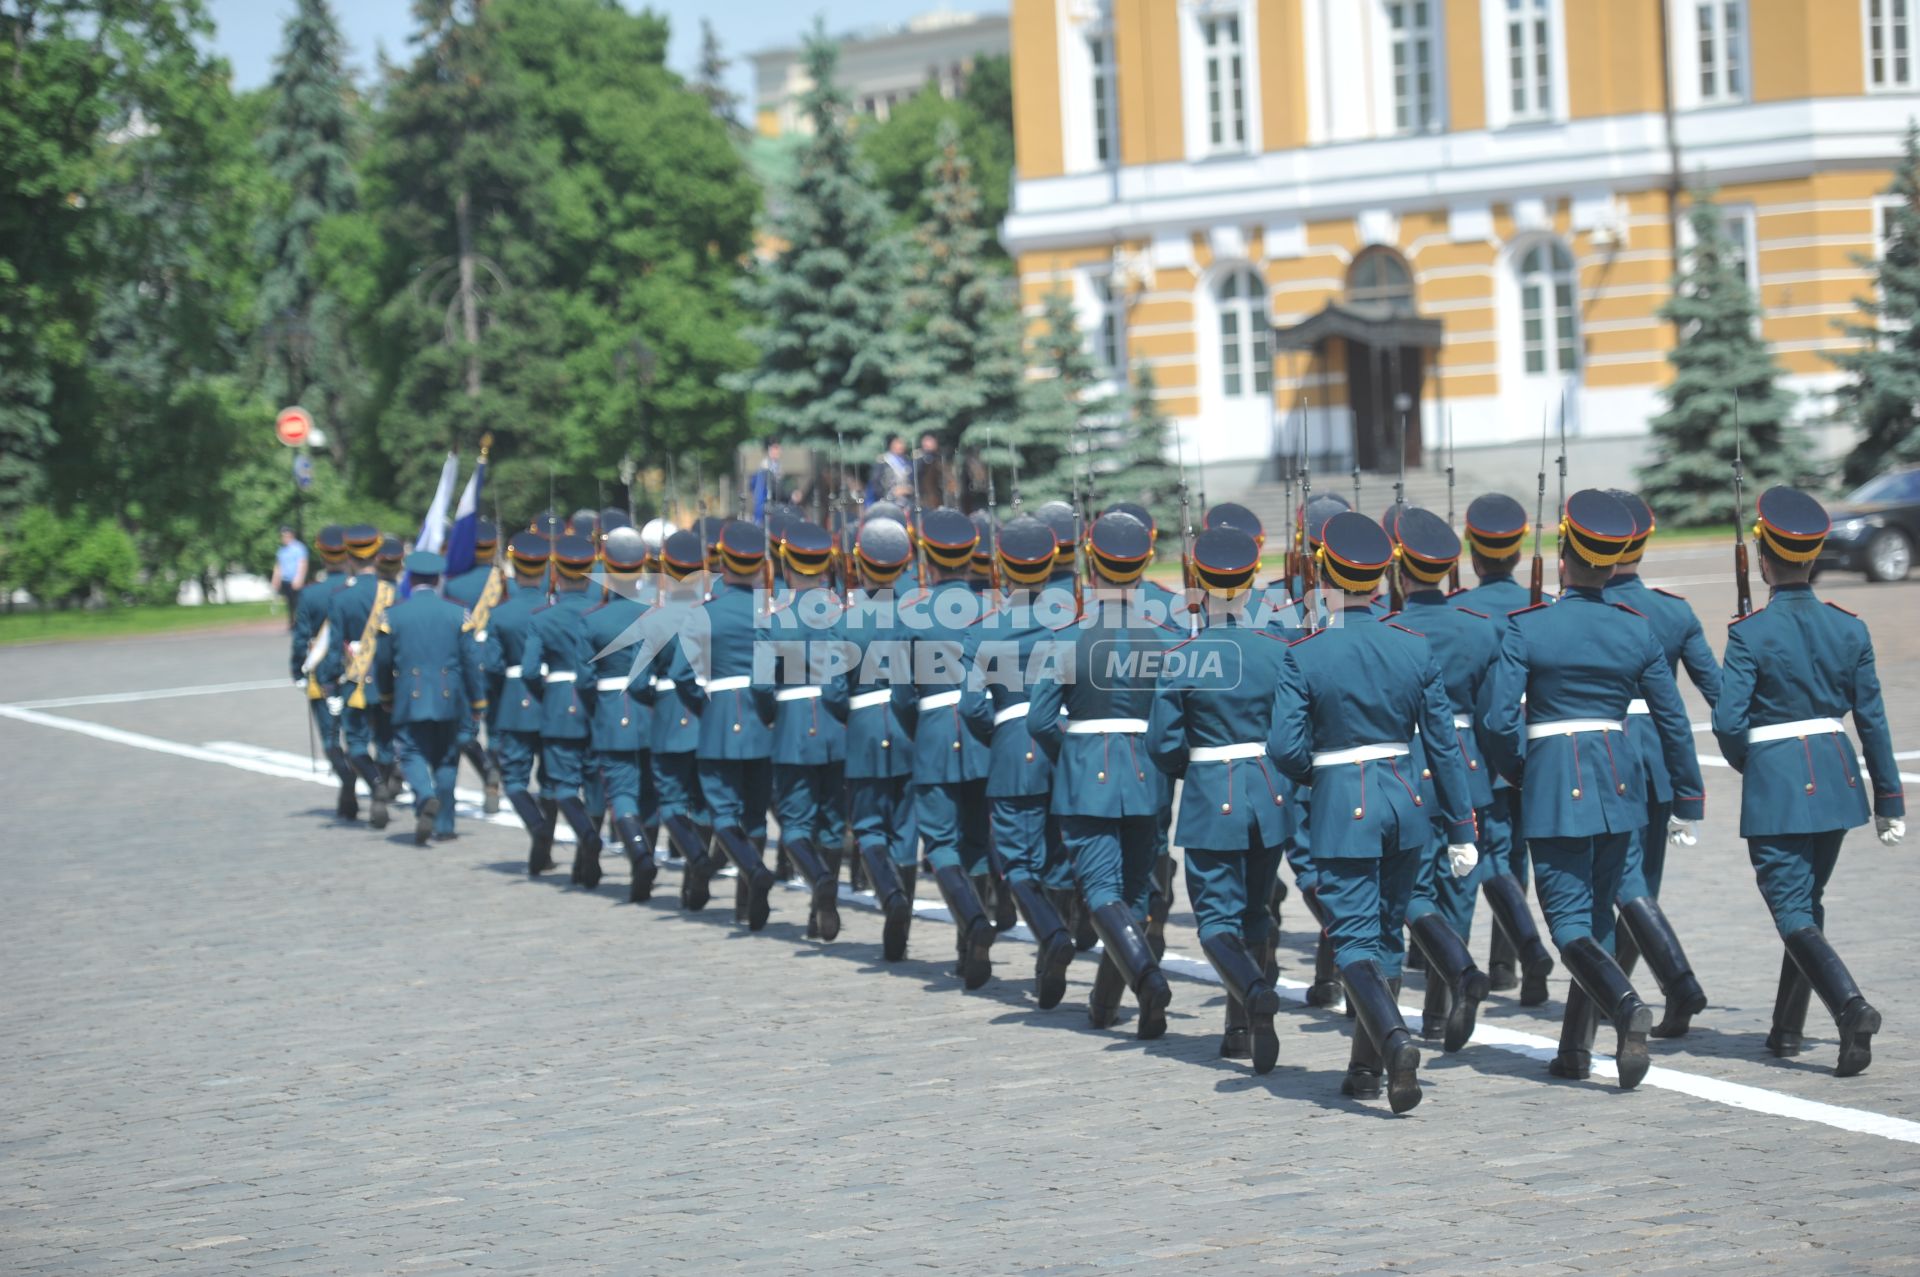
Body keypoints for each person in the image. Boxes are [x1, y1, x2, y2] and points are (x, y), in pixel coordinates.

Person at [1478, 490, 1703, 1091]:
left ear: (1563, 556)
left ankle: (1626, 1007)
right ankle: (1575, 1050)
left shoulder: (1530, 627)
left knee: (1570, 925)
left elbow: (1498, 722)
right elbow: (1673, 720)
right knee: (1599, 921)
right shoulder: (1635, 628)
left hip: (1555, 779)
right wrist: (1688, 798)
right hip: (1621, 780)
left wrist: (1521, 770)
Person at [1268, 512, 1478, 1112]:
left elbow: (1284, 748)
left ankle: (1393, 1043)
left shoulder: (1304, 654)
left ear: (1326, 575)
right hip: (1406, 803)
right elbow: (1444, 746)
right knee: (1387, 936)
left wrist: (1321, 776)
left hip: (1344, 807)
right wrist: (1462, 828)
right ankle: (1366, 1072)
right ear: (1384, 574)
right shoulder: (1412, 646)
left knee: (1355, 940)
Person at [1711, 486, 1905, 1076]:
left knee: (1791, 909)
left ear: (1764, 558)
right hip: (1838, 778)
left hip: (1779, 783)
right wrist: (1888, 800)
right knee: (1807, 905)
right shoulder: (1849, 628)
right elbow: (1871, 717)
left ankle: (1850, 1008)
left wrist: (1755, 761)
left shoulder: (1749, 633)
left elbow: (1726, 719)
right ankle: (1786, 1031)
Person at [1147, 526, 1291, 1073]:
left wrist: (1197, 769)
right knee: (1255, 911)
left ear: (1197, 583)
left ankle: (1253, 995)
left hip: (1213, 794)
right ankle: (1240, 1031)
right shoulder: (1279, 649)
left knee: (1214, 922)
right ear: (1253, 579)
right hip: (1268, 792)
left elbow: (1162, 744)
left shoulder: (1184, 654)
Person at [1030, 511, 1178, 1038]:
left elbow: (1040, 720)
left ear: (1092, 566)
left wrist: (1072, 753)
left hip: (1086, 773)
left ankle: (1147, 981)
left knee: (1101, 894)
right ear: (1141, 568)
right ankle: (1103, 1004)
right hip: (1147, 777)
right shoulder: (1167, 637)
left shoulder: (1065, 637)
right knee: (1134, 897)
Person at [1603, 490, 1719, 1037]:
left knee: (1621, 886)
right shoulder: (1675, 611)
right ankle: (1620, 998)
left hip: (1606, 757)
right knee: (1642, 887)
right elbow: (1719, 693)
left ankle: (1678, 985)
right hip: (1661, 760)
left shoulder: (1586, 611)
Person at [1387, 507, 1499, 1053]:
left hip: (1404, 768)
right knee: (1459, 892)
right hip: (1466, 766)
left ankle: (1455, 979)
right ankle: (1441, 1009)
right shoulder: (1478, 630)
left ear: (1398, 568)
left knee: (1406, 889)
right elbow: (1495, 713)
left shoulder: (1391, 631)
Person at [963, 516, 1079, 1008]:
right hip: (1066, 746)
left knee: (1015, 862)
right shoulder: (1073, 621)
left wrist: (1002, 732)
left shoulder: (983, 632)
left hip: (1014, 749)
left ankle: (1051, 937)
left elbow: (971, 707)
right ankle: (1052, 943)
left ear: (1002, 569)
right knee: (1056, 857)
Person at [1456, 491, 1556, 1006]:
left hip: (1477, 749)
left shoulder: (1459, 611)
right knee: (1515, 855)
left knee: (1484, 856)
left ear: (1473, 550)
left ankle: (1501, 956)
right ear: (1518, 551)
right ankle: (1507, 963)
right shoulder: (1544, 608)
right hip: (1533, 749)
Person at [671, 521, 778, 930]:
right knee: (755, 815)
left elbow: (683, 674)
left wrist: (705, 707)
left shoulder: (704, 613)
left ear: (722, 562)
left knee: (722, 814)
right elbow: (768, 678)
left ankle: (754, 872)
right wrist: (766, 713)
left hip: (718, 720)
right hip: (756, 720)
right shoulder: (765, 613)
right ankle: (746, 906)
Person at [906, 508, 997, 989]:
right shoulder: (993, 608)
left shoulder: (913, 613)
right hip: (984, 736)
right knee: (977, 841)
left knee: (941, 842)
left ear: (929, 558)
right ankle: (971, 940)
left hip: (937, 733)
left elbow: (902, 693)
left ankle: (973, 924)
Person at [833, 517, 920, 960]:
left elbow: (832, 690)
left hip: (865, 728)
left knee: (868, 825)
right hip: (908, 728)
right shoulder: (919, 612)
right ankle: (900, 927)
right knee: (905, 827)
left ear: (860, 563)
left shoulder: (846, 621)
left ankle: (891, 898)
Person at [766, 520, 850, 940]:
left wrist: (772, 716)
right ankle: (822, 906)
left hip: (793, 729)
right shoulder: (842, 614)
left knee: (796, 823)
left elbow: (763, 684)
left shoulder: (776, 619)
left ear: (786, 562)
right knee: (833, 821)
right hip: (837, 729)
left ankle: (820, 882)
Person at [376, 550, 487, 845]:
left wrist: (386, 695)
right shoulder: (458, 612)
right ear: (438, 579)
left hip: (409, 697)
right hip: (450, 698)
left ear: (410, 579)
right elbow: (470, 661)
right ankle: (447, 825)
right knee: (447, 759)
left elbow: (383, 661)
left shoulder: (392, 614)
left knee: (411, 753)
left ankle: (425, 796)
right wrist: (478, 702)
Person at [521, 534, 604, 888]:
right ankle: (587, 861)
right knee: (595, 784)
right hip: (596, 705)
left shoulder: (543, 618)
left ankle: (586, 836)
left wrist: (549, 690)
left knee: (563, 785)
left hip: (558, 706)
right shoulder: (598, 613)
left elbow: (528, 671)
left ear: (556, 572)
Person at [584, 526, 659, 903]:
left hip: (612, 714)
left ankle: (639, 855)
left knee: (622, 792)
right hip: (650, 713)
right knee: (650, 791)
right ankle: (646, 854)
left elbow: (584, 678)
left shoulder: (593, 619)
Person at [488, 532, 559, 875]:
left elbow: (491, 665)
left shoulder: (501, 614)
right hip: (552, 700)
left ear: (515, 568)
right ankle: (544, 844)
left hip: (515, 701)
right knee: (550, 779)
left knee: (514, 778)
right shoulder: (553, 608)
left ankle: (537, 828)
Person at [290, 526, 356, 818]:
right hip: (358, 671)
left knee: (331, 739)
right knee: (362, 735)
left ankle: (347, 779)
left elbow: (301, 638)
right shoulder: (363, 589)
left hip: (322, 674)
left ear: (322, 555)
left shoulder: (310, 595)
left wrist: (297, 671)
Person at [271, 525, 309, 629]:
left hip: (295, 579)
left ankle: (299, 622)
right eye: (282, 536)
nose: (283, 538)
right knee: (289, 603)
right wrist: (275, 579)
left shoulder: (299, 548)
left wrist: (299, 578)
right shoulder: (281, 550)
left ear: (291, 536)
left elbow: (302, 563)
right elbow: (278, 566)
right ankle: (292, 622)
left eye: (286, 536)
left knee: (298, 602)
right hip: (286, 580)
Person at [869, 435, 912, 506]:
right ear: (891, 445)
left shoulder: (907, 461)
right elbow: (876, 484)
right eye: (898, 443)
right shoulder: (883, 462)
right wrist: (893, 492)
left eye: (902, 443)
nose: (901, 446)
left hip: (907, 502)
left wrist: (908, 489)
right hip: (888, 502)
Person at [751, 441, 783, 526]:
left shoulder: (778, 464)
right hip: (764, 496)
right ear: (770, 451)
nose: (777, 454)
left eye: (778, 451)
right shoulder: (765, 465)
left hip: (774, 495)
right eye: (775, 451)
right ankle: (758, 521)